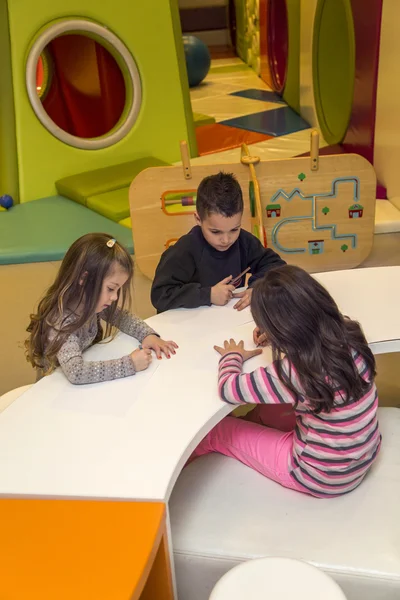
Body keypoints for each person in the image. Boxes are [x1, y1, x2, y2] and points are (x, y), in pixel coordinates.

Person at [191, 265, 381, 498]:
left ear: (281, 327)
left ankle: (174, 481)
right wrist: (277, 334)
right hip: (361, 456)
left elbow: (228, 388)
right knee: (270, 411)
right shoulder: (350, 334)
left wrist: (233, 356)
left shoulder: (294, 372)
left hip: (319, 476)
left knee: (218, 430)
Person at [25, 233, 178, 385]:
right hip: (52, 390)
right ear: (84, 279)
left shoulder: (89, 300)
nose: (115, 297)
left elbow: (122, 317)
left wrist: (147, 335)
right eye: (111, 288)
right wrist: (130, 364)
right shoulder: (61, 321)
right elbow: (77, 372)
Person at [151, 172, 285, 313]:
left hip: (226, 320)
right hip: (192, 325)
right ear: (198, 219)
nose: (226, 240)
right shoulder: (184, 250)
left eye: (234, 229)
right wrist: (208, 295)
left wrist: (257, 287)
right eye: (216, 232)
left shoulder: (243, 241)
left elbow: (275, 264)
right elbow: (160, 294)